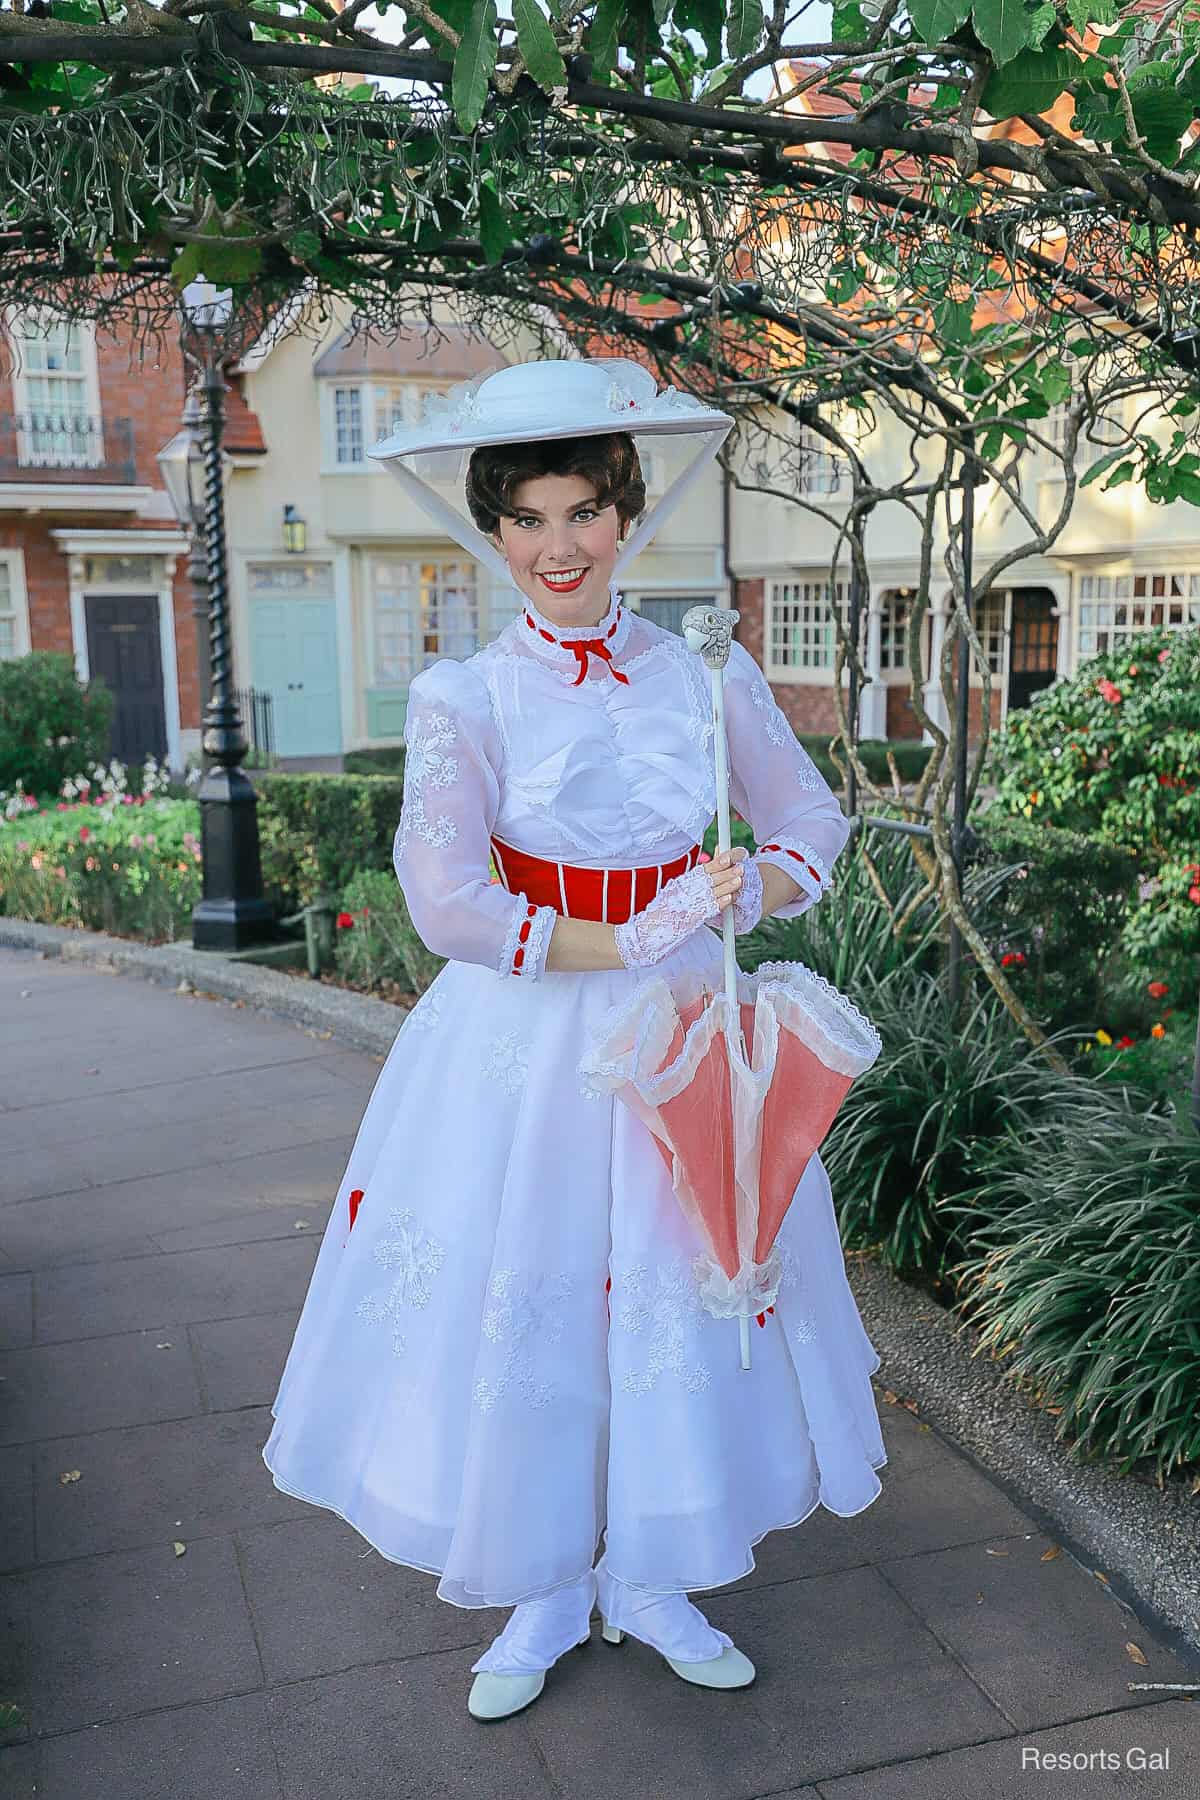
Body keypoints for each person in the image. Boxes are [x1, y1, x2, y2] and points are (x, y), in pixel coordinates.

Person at [262, 357, 886, 1724]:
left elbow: (811, 823)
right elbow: (449, 905)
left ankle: (655, 1571)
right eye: (532, 517)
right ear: (494, 530)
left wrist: (749, 889)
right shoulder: (465, 697)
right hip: (524, 1047)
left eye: (585, 512)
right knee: (533, 1290)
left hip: (679, 1033)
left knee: (674, 1286)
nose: (561, 545)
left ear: (625, 514)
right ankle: (545, 1579)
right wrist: (633, 940)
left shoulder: (700, 669)